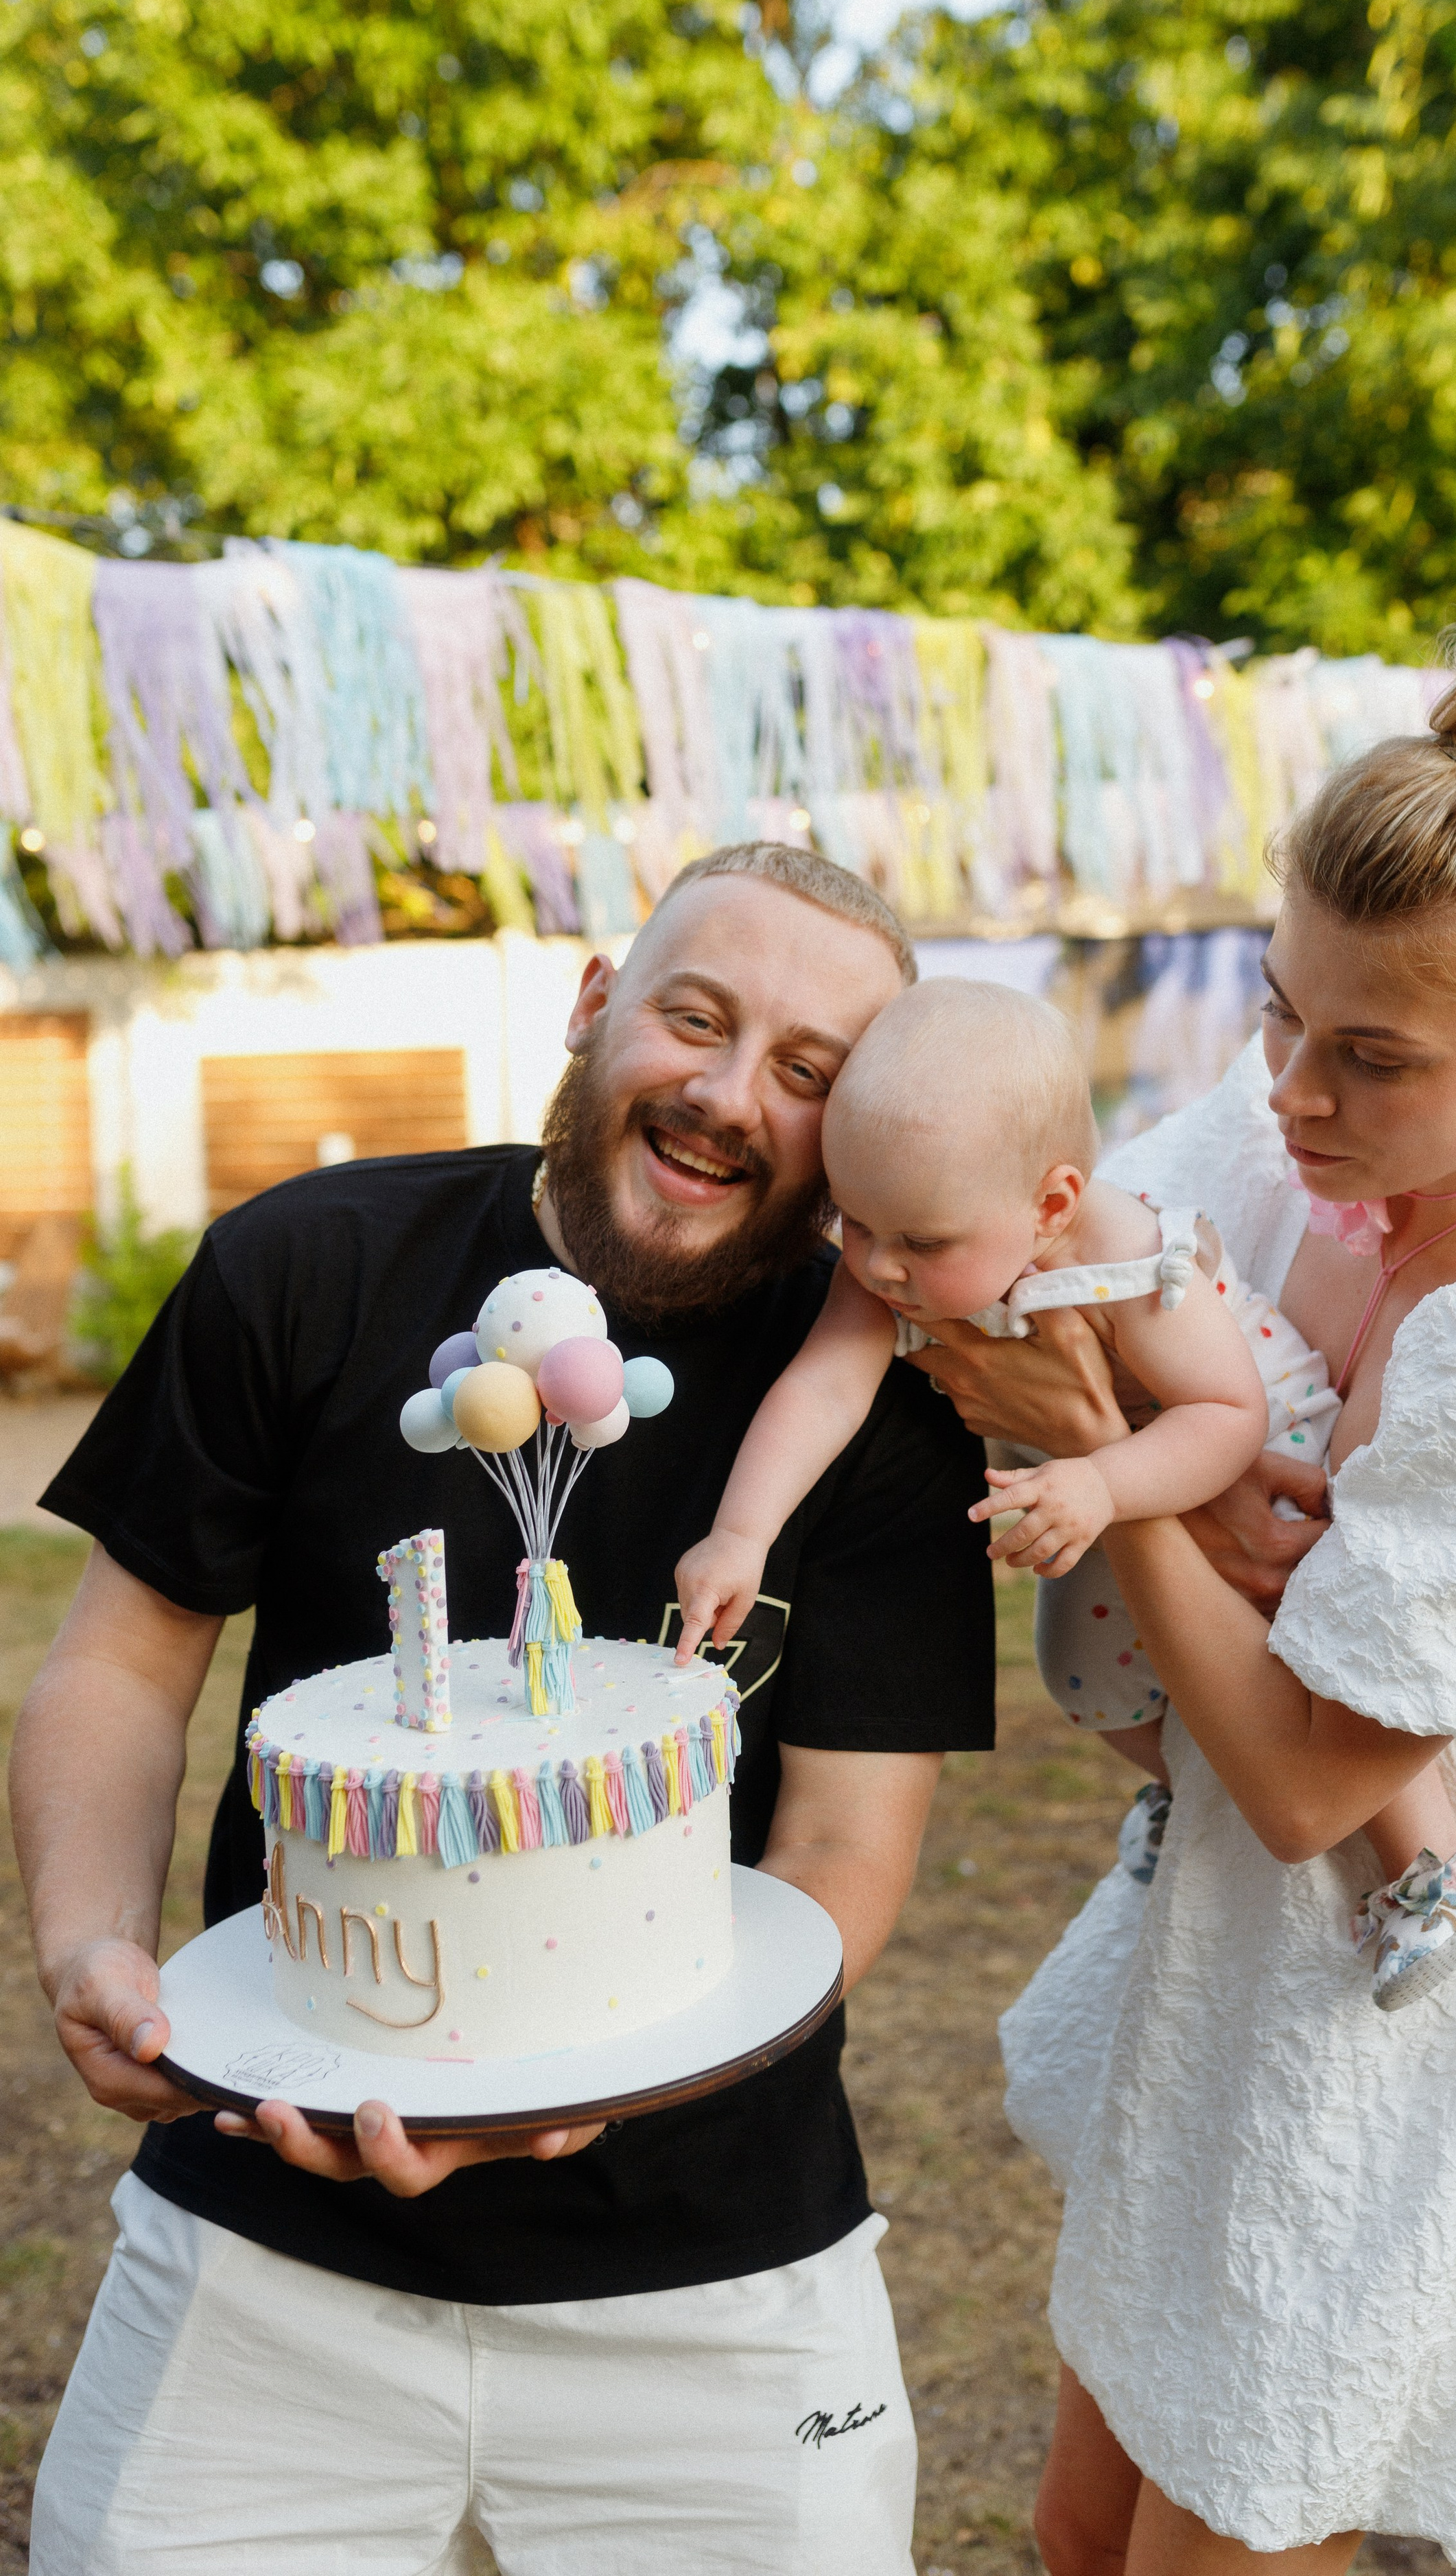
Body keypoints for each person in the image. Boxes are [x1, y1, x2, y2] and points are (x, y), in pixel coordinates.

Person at [14, 841, 996, 2576]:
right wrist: (91, 1942)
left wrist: (612, 2080)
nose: (726, 1095)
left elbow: (845, 1840)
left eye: (806, 1070)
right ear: (594, 1003)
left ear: (847, 1132)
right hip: (262, 2235)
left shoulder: (885, 1415)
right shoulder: (308, 1266)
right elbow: (123, 1657)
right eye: (695, 1018)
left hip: (717, 2275)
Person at [906, 617, 1456, 2575]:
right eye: (1282, 1012)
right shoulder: (1283, 1145)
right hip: (1223, 1931)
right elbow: (1033, 1257)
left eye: (1371, 1058)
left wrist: (1111, 1467)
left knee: (1237, 2517)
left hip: (1408, 1974)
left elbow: (1301, 1783)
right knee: (1080, 2529)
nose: (1290, 1091)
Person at [674, 976, 1456, 2008]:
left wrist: (1104, 1481)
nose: (881, 1268)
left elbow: (1227, 1413)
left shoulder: (1130, 1261)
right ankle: (1187, 1783)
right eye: (854, 1222)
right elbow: (822, 1387)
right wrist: (742, 1534)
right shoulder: (900, 1232)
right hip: (1100, 1483)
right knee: (1084, 1677)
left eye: (922, 1243)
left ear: (1052, 1207)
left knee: (1302, 1639)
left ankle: (1436, 1862)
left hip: (1257, 1454)